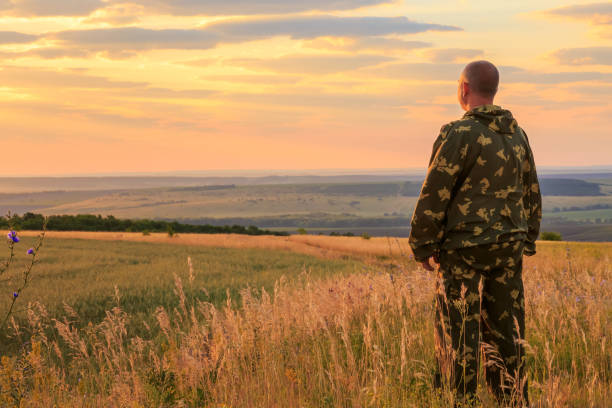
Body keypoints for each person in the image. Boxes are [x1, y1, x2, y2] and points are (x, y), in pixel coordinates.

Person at [408, 60, 541, 406]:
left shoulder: (459, 133)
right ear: (493, 90)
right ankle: (511, 399)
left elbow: (435, 192)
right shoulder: (517, 134)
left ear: (464, 89)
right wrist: (527, 237)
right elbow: (531, 190)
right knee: (507, 333)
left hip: (464, 247)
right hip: (508, 245)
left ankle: (460, 400)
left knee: (458, 331)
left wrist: (423, 244)